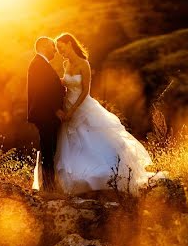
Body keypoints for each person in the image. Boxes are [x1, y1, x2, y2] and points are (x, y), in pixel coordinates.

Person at [49, 32, 166, 195]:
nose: (61, 52)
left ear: (69, 44)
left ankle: (104, 174)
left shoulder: (84, 64)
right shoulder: (66, 64)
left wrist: (73, 111)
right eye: (58, 50)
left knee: (93, 139)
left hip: (81, 105)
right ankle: (76, 176)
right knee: (72, 143)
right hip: (66, 104)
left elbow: (85, 92)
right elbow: (65, 82)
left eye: (61, 48)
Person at [26, 36, 66, 192]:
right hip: (45, 114)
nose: (55, 49)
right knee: (48, 150)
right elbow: (44, 91)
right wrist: (56, 109)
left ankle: (49, 185)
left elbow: (51, 86)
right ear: (43, 47)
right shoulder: (38, 64)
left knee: (50, 149)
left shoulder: (41, 64)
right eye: (52, 46)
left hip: (46, 113)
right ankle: (48, 187)